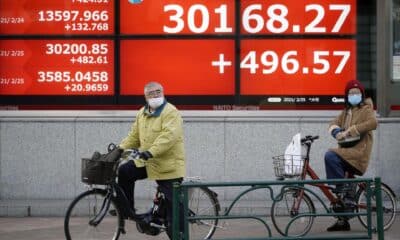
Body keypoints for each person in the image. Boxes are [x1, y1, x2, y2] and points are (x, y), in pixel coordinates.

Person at [118, 81, 186, 238]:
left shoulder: (171, 112)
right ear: (145, 96)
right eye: (151, 93)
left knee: (173, 208)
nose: (155, 95)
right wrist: (119, 149)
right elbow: (134, 136)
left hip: (168, 165)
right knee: (125, 171)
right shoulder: (142, 112)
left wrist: (150, 152)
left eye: (158, 91)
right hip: (148, 162)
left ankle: (181, 234)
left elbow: (169, 137)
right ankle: (127, 209)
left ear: (163, 92)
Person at [324, 79, 378, 231]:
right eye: (351, 93)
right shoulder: (346, 112)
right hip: (348, 154)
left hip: (358, 153)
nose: (354, 95)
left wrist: (350, 130)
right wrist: (336, 132)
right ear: (347, 96)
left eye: (357, 93)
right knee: (341, 196)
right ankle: (343, 219)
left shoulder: (366, 109)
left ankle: (343, 190)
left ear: (362, 94)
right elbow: (332, 123)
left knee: (330, 156)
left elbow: (373, 123)